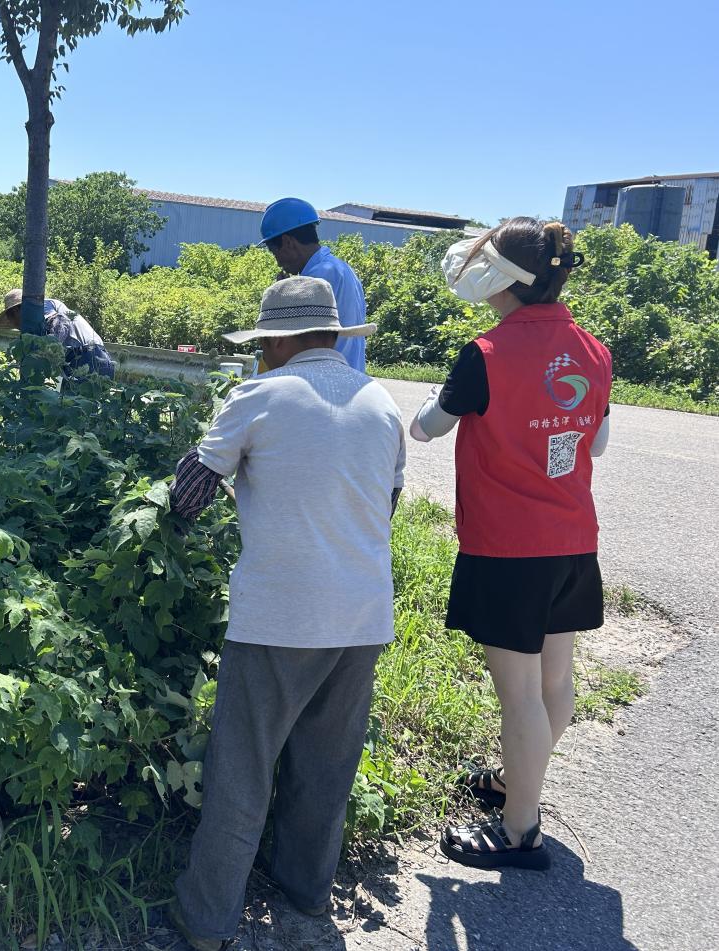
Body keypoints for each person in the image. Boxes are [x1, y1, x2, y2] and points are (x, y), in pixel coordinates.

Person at [165, 276, 405, 950]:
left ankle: (206, 918)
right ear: (332, 336)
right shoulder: (381, 403)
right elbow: (384, 505)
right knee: (324, 769)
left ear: (275, 340)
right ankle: (305, 889)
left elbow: (189, 493)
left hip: (277, 617)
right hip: (361, 618)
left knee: (241, 772)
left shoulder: (259, 396)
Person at [410, 217, 612, 870]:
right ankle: (514, 783)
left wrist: (428, 404)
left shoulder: (485, 353)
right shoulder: (592, 350)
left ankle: (518, 828)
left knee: (518, 693)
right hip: (572, 542)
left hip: (508, 548)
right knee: (555, 681)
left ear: (500, 278)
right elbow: (596, 442)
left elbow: (425, 429)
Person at [260, 197, 369, 372]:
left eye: (275, 252)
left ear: (288, 242)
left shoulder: (317, 277)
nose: (278, 262)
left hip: (324, 379)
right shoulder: (342, 268)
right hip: (348, 375)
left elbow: (293, 341)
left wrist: (283, 296)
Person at [0, 289, 116, 379]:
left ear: (17, 310)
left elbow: (59, 325)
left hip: (84, 358)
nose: (16, 326)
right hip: (102, 358)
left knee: (73, 410)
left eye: (12, 317)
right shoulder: (51, 307)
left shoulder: (43, 309)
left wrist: (42, 355)